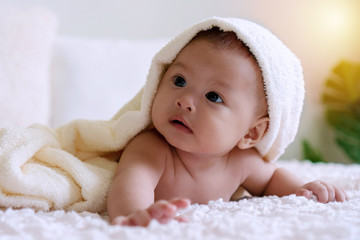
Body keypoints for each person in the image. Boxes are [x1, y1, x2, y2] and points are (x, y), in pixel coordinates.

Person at [107, 25, 348, 227]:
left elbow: (272, 178)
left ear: (251, 133)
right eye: (179, 80)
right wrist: (137, 215)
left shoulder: (240, 161)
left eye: (213, 96)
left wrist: (304, 190)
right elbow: (129, 184)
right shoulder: (151, 148)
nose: (185, 101)